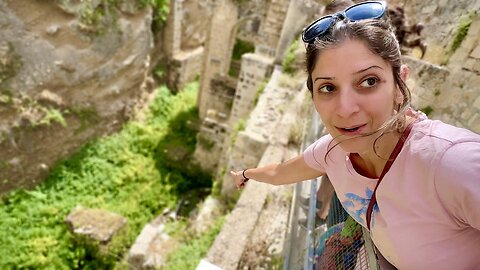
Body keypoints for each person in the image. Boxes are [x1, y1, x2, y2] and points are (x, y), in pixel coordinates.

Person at [230, 1, 480, 269]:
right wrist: (246, 174)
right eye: (327, 88)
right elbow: (280, 173)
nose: (346, 109)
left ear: (399, 85)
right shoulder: (332, 151)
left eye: (369, 81)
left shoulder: (453, 163)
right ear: (313, 96)